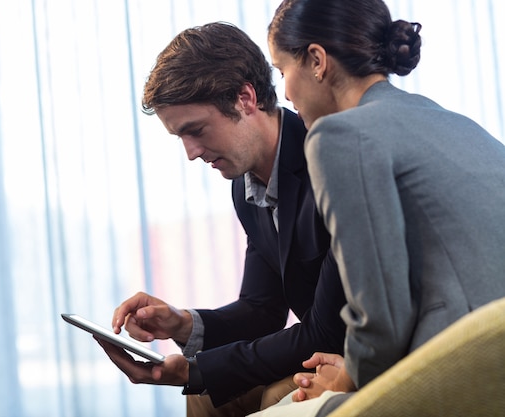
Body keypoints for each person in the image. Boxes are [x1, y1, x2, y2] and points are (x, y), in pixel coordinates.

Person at [252, 0, 505, 415]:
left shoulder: (338, 135)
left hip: (467, 361)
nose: (285, 93)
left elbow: (381, 314)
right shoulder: (451, 119)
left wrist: (349, 377)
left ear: (316, 61)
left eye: (283, 71)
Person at [94, 22, 348, 416]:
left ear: (245, 98)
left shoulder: (329, 162)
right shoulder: (245, 186)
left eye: (195, 131)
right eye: (180, 137)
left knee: (256, 394)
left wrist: (196, 371)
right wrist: (181, 324)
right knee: (207, 395)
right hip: (319, 346)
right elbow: (263, 309)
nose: (192, 153)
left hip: (353, 351)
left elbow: (326, 330)